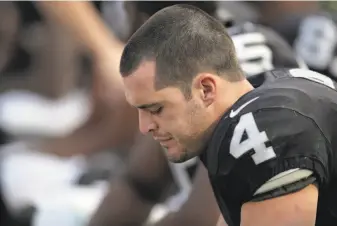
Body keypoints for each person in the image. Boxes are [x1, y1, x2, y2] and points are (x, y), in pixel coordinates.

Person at [120, 4, 337, 226]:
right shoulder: (267, 94)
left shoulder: (261, 129)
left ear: (206, 89)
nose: (144, 127)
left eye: (156, 109)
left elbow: (197, 219)